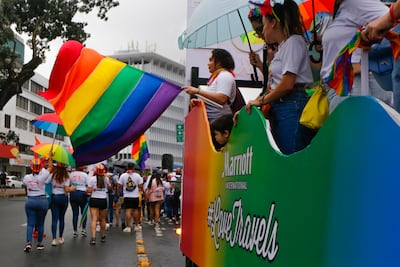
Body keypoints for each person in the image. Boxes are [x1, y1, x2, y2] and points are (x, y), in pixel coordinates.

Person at [239, 0, 316, 155]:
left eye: (263, 25)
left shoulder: (294, 42)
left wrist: (260, 101)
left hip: (291, 104)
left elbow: (287, 84)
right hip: (282, 106)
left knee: (291, 158)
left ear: (273, 23)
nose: (262, 32)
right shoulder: (283, 47)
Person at [320, 0, 388, 113]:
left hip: (352, 86)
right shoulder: (343, 6)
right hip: (342, 87)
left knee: (352, 130)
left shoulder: (356, 2)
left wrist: (361, 60)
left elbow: (394, 23)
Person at [181, 48, 237, 123]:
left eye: (211, 60)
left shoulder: (225, 76)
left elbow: (222, 98)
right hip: (212, 122)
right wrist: (200, 102)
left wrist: (197, 91)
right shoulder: (219, 76)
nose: (208, 63)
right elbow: (214, 100)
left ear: (219, 63)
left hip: (219, 123)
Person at [22, 157, 53, 252]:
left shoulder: (27, 178)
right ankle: (39, 243)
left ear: (31, 168)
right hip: (42, 200)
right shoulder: (43, 176)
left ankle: (28, 243)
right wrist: (50, 157)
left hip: (30, 200)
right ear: (40, 168)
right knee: (40, 224)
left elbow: (25, 188)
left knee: (30, 224)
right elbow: (50, 167)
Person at [50, 162, 76, 246]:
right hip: (63, 198)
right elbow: (67, 189)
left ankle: (54, 239)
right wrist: (72, 188)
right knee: (61, 218)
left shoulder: (53, 174)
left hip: (54, 197)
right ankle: (60, 238)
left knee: (54, 219)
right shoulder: (67, 175)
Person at [87, 164, 110, 245]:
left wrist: (91, 190)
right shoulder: (106, 179)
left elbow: (89, 191)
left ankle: (93, 238)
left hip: (94, 199)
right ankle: (103, 236)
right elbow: (110, 188)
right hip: (103, 200)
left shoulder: (92, 179)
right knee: (103, 219)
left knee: (94, 218)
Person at [117, 162, 143, 232]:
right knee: (135, 210)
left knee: (128, 211)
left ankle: (128, 227)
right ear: (134, 168)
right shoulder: (137, 176)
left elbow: (119, 185)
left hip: (127, 196)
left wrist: (118, 192)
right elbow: (141, 186)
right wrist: (141, 191)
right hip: (135, 196)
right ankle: (136, 225)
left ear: (127, 167)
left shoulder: (123, 176)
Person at [69, 166, 88, 238]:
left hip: (73, 193)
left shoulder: (71, 174)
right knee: (84, 212)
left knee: (75, 213)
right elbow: (88, 185)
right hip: (82, 194)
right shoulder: (85, 175)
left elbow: (69, 184)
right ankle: (83, 229)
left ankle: (75, 231)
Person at [144, 169, 165, 235]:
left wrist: (147, 197)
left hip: (152, 197)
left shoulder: (152, 181)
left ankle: (151, 220)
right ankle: (157, 221)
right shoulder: (161, 182)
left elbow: (149, 190)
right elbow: (163, 189)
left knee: (151, 209)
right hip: (160, 197)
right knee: (157, 210)